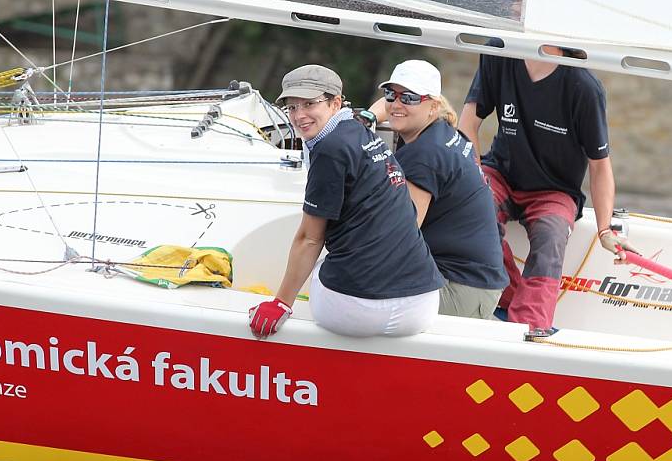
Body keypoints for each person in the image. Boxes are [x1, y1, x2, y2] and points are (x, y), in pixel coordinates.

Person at [249, 64, 444, 339]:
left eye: (309, 104)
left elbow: (310, 239)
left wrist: (281, 302)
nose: (298, 116)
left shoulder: (330, 149)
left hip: (356, 312)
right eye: (291, 108)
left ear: (335, 103)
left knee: (319, 266)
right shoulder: (361, 131)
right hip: (421, 306)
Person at [458, 46, 637, 331]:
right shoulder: (499, 51)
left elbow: (600, 165)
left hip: (554, 190)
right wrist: (472, 181)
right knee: (472, 210)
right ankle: (508, 299)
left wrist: (605, 230)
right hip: (500, 173)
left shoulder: (584, 88)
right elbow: (468, 124)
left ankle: (530, 327)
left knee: (551, 237)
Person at [368, 60, 508, 319]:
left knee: (351, 292)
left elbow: (399, 236)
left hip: (460, 289)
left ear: (433, 106)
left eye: (409, 97)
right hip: (479, 284)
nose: (397, 104)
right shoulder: (444, 133)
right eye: (391, 94)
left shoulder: (424, 155)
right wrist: (371, 115)